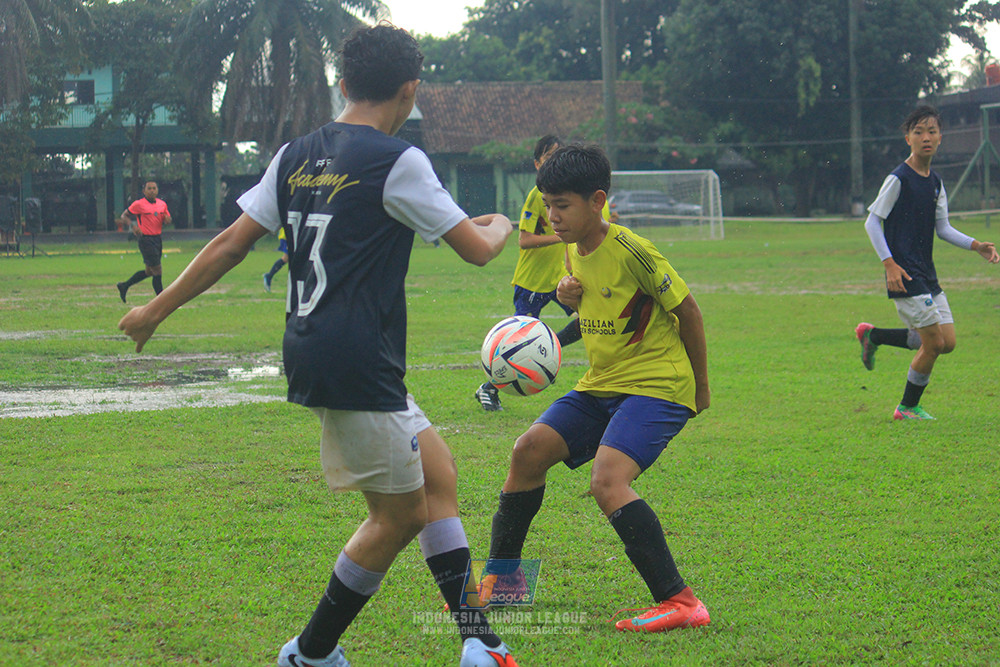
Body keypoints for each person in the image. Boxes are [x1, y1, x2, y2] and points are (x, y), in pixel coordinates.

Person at [119, 23, 519, 667]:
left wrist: (155, 311)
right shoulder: (399, 160)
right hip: (357, 359)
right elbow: (476, 250)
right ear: (410, 90)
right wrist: (500, 222)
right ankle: (310, 653)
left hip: (321, 348)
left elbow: (230, 243)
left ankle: (478, 638)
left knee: (437, 474)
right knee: (397, 518)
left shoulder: (296, 152)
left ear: (342, 82)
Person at [481, 144, 711, 633]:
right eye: (547, 205)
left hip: (658, 383)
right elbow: (592, 298)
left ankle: (682, 602)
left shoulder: (634, 250)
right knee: (527, 451)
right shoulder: (572, 246)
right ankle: (504, 583)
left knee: (607, 481)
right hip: (602, 382)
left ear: (597, 201)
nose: (552, 216)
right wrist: (568, 292)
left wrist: (700, 388)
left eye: (561, 206)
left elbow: (688, 311)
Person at [855, 105, 998, 420]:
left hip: (926, 273)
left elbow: (943, 228)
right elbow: (872, 222)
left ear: (940, 137)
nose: (926, 137)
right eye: (918, 132)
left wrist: (976, 246)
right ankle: (906, 408)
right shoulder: (899, 178)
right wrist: (889, 264)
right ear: (908, 138)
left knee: (947, 342)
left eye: (931, 131)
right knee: (932, 343)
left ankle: (873, 335)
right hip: (903, 273)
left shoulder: (935, 182)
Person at [474, 135, 612, 412]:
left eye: (559, 156)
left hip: (559, 278)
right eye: (548, 158)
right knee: (515, 343)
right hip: (531, 281)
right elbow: (524, 240)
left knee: (588, 321)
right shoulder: (539, 196)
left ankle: (552, 346)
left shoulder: (581, 195)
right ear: (538, 164)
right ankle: (488, 387)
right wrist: (562, 238)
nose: (554, 163)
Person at [115, 180, 171, 303]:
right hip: (146, 239)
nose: (152, 190)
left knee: (149, 271)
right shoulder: (139, 204)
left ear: (157, 190)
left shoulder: (162, 204)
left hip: (157, 239)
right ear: (144, 191)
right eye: (149, 188)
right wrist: (133, 226)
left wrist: (167, 219)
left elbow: (167, 218)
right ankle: (162, 301)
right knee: (158, 270)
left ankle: (124, 286)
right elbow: (124, 216)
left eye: (154, 188)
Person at [262, 226, 288, 292]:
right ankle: (269, 276)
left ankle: (269, 276)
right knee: (286, 258)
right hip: (287, 236)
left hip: (289, 235)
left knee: (288, 258)